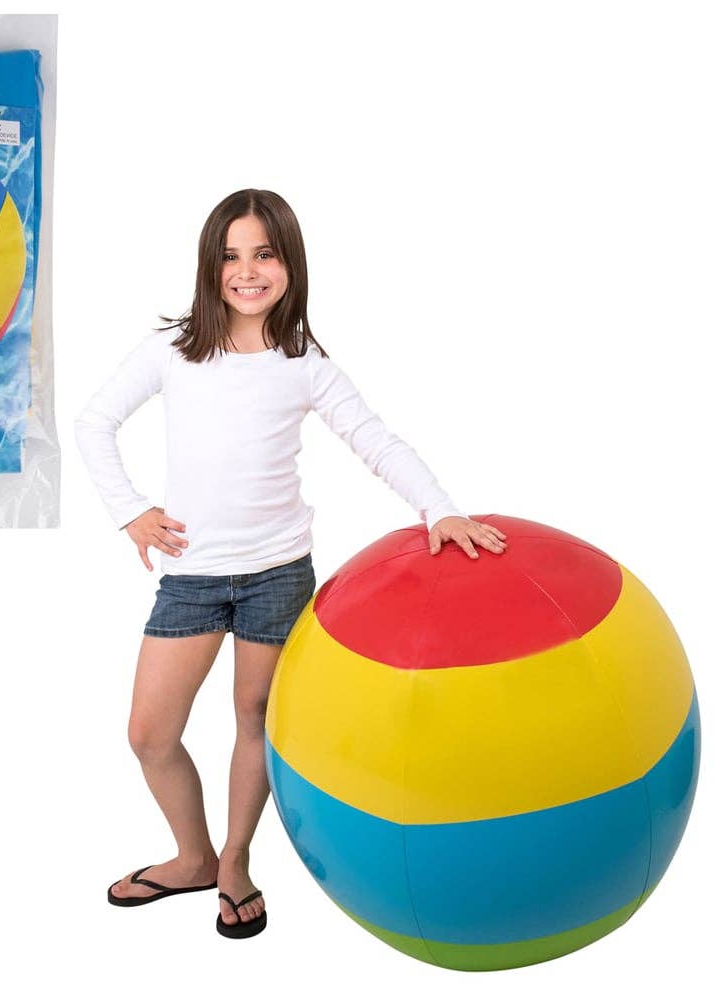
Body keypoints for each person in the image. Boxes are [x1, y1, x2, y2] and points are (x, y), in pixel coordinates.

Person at [74, 189, 507, 940]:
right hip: (193, 577)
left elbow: (375, 440)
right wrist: (129, 510)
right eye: (231, 256)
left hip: (278, 574)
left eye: (264, 254)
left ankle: (235, 862)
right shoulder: (174, 350)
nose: (247, 271)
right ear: (210, 266)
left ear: (289, 264)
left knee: (255, 719)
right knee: (149, 733)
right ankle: (193, 857)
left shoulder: (303, 361)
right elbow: (94, 422)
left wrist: (440, 509)